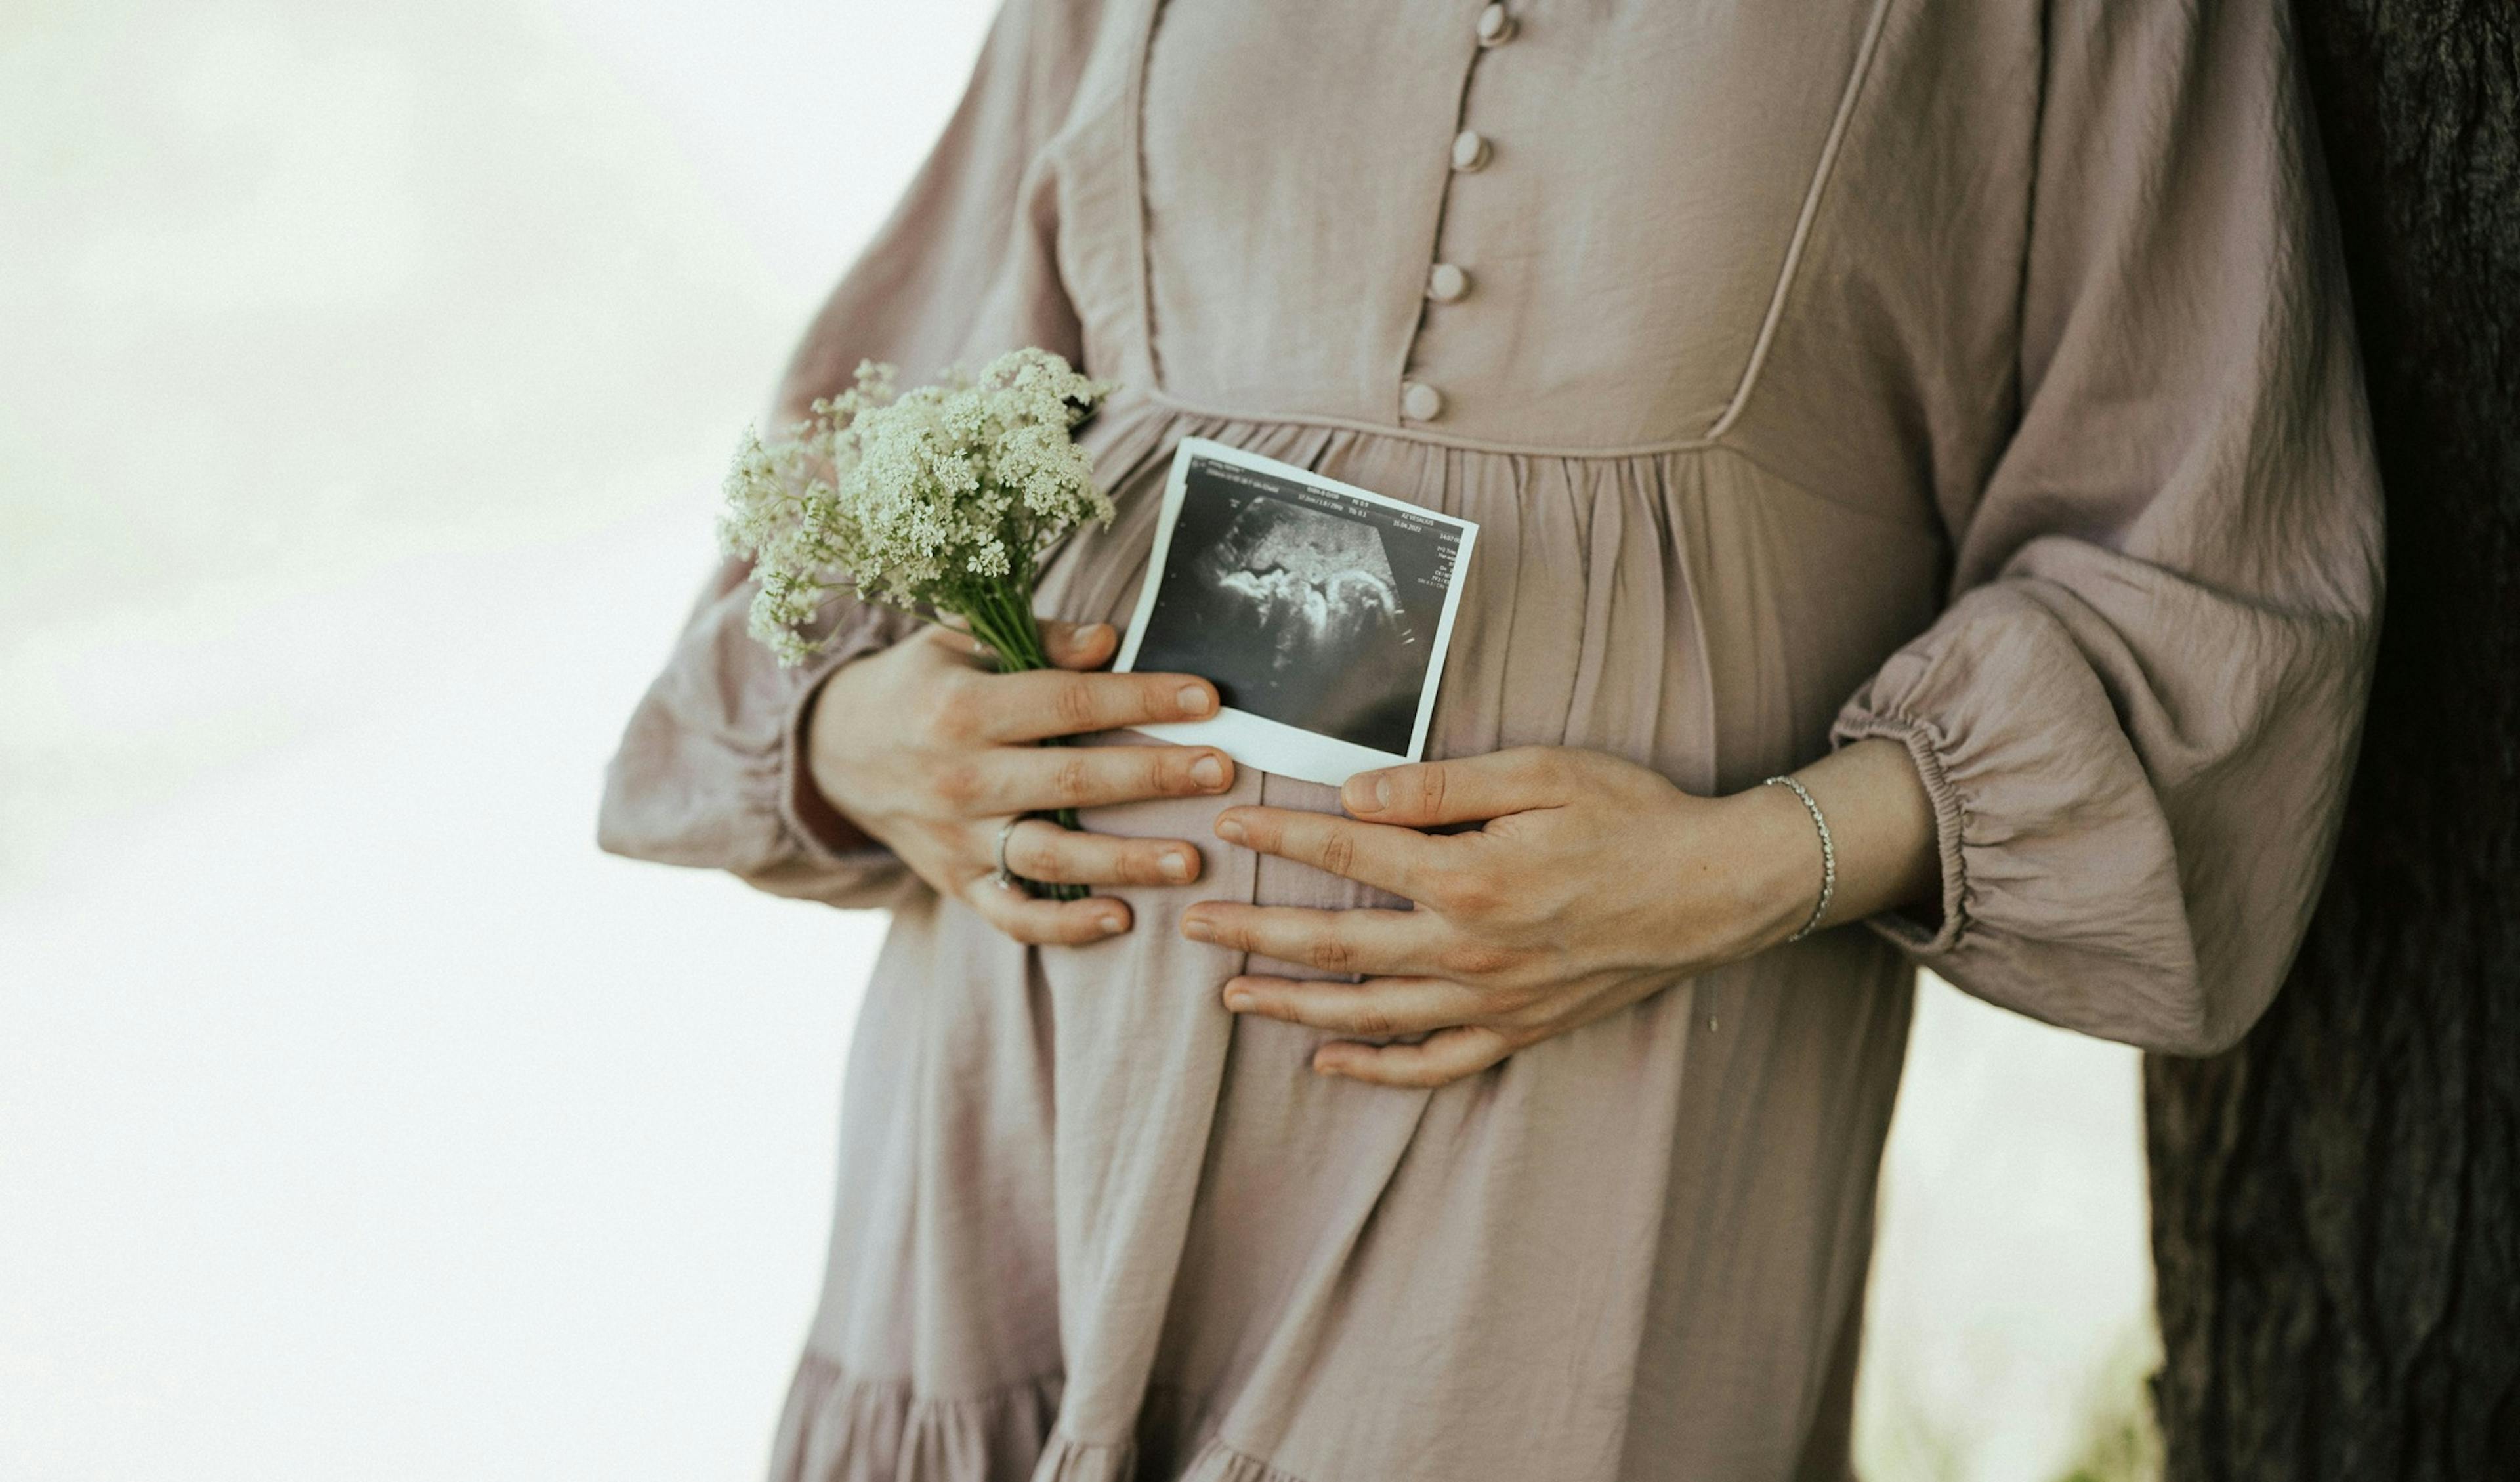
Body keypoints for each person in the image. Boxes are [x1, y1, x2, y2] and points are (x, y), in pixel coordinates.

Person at [598, 1, 2382, 1477]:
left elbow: (2209, 571)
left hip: (1592, 1124)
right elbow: (874, 442)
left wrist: (1755, 864)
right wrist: (850, 736)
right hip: (1029, 1092)